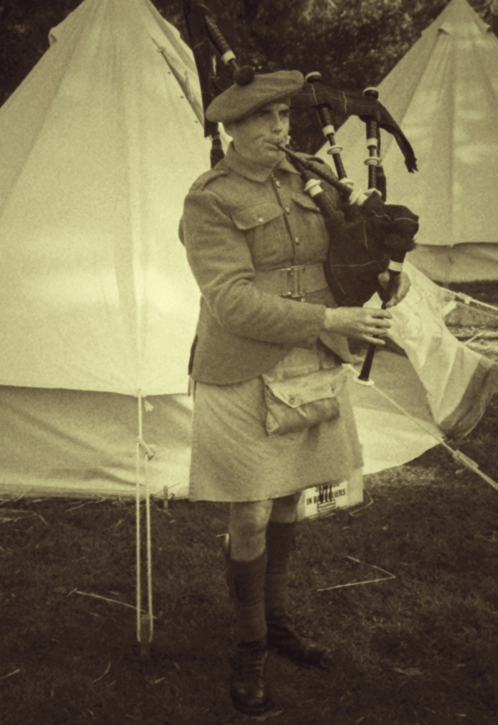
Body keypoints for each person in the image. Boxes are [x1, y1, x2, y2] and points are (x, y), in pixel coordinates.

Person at [179, 68, 409, 717]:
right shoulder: (209, 200)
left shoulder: (307, 173)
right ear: (232, 127)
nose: (281, 130)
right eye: (265, 119)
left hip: (313, 358)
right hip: (242, 367)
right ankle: (249, 644)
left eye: (285, 116)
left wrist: (381, 267)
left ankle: (275, 624)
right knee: (249, 511)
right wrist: (330, 320)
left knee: (286, 502)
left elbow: (341, 253)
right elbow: (229, 302)